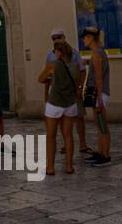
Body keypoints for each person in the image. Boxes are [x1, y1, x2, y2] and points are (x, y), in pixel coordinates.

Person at [40, 39, 82, 175]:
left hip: (55, 103)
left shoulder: (53, 65)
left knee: (51, 136)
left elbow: (40, 79)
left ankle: (50, 167)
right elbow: (77, 85)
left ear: (59, 53)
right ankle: (69, 166)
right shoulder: (75, 66)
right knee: (68, 136)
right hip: (70, 104)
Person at [81, 26, 113, 164]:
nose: (83, 40)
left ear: (90, 38)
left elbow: (99, 77)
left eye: (85, 38)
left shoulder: (96, 54)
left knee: (102, 125)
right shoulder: (98, 53)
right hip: (98, 93)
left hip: (99, 94)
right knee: (99, 125)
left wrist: (99, 98)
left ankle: (105, 155)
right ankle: (100, 152)